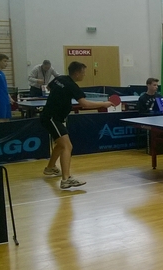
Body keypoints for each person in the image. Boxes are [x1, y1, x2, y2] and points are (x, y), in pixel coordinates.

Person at [40, 61, 113, 189]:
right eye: (83, 72)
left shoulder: (60, 79)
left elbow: (50, 88)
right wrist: (103, 104)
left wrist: (61, 99)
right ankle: (66, 179)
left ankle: (50, 168)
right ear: (77, 73)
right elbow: (84, 104)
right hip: (52, 118)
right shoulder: (72, 86)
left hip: (51, 117)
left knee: (61, 144)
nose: (84, 75)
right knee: (67, 146)